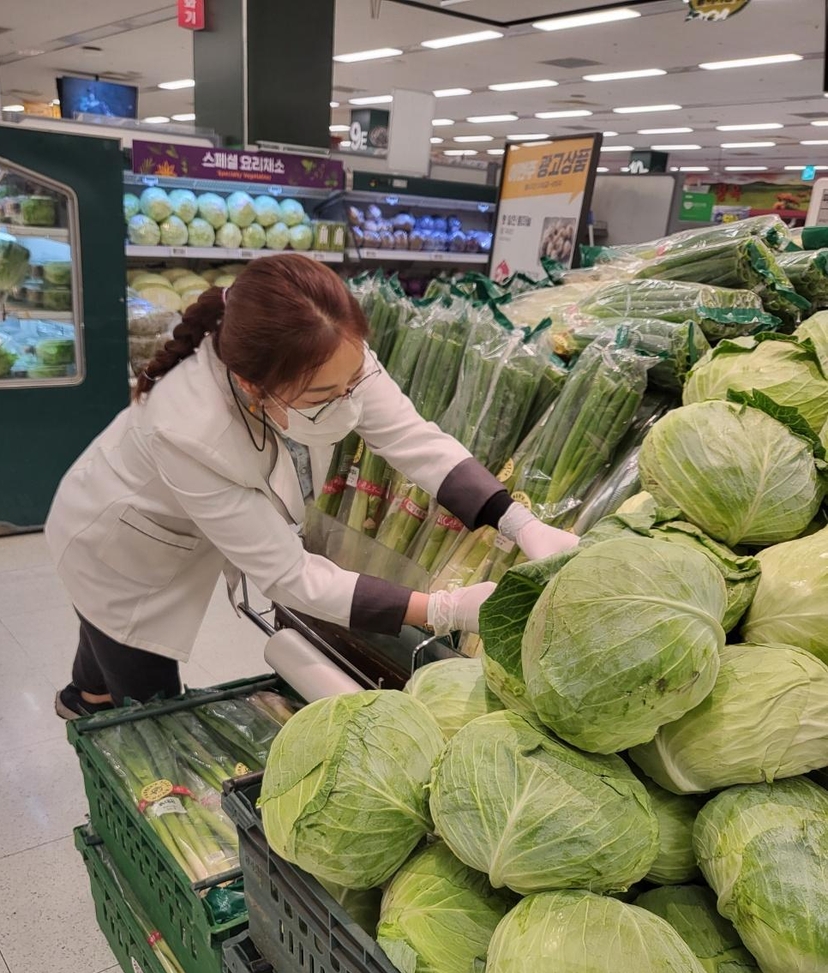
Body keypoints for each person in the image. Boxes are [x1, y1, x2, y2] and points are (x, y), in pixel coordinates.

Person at [46, 256, 576, 718]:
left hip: (156, 511)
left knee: (100, 650)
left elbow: (416, 440)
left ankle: (83, 696)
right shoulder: (188, 431)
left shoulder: (328, 347)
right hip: (119, 545)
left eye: (354, 382)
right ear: (254, 386)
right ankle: (106, 714)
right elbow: (289, 575)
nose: (348, 402)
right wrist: (439, 608)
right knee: (145, 693)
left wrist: (519, 521)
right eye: (325, 394)